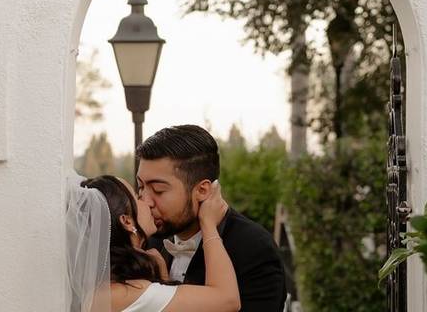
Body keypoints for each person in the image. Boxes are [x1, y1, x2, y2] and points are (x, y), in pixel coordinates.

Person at [136, 125, 287, 312]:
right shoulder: (149, 243)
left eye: (158, 189)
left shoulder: (253, 248)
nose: (145, 201)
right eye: (141, 186)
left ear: (202, 190)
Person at [69, 173, 241, 312]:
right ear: (127, 221)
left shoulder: (108, 288)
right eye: (138, 197)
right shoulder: (123, 293)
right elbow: (228, 300)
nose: (147, 202)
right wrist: (209, 225)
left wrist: (162, 279)